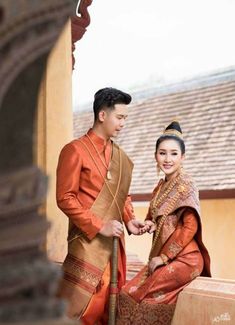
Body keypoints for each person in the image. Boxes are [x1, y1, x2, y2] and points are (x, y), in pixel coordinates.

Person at [56, 87, 147, 325]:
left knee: (110, 307)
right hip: (88, 243)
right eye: (120, 117)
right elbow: (65, 197)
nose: (123, 123)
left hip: (115, 243)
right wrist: (99, 225)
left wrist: (129, 220)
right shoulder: (74, 150)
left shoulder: (120, 157)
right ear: (102, 115)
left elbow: (121, 195)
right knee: (85, 309)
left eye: (125, 118)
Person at [117, 120, 211, 325]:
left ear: (182, 157)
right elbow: (155, 219)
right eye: (162, 153)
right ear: (155, 156)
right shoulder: (160, 187)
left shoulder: (187, 184)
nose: (167, 159)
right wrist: (149, 224)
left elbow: (190, 226)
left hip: (185, 259)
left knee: (145, 299)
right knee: (126, 293)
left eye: (173, 153)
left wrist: (164, 257)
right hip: (162, 256)